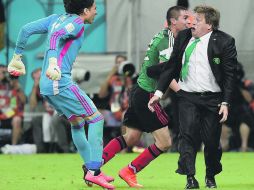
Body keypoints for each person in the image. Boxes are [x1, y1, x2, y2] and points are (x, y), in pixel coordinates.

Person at [7, 0, 114, 189]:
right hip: (59, 81)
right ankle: (94, 171)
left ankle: (91, 168)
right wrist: (54, 63)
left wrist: (17, 57)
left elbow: (25, 29)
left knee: (77, 123)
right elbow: (57, 36)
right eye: (95, 8)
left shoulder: (55, 18)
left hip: (47, 84)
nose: (96, 12)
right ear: (85, 10)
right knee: (96, 119)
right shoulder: (78, 22)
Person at [148, 5, 237, 189]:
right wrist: (158, 93)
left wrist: (226, 102)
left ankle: (210, 175)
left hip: (213, 99)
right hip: (187, 96)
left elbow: (229, 75)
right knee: (187, 136)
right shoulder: (184, 37)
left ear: (209, 25)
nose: (192, 23)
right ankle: (190, 178)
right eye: (191, 19)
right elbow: (171, 66)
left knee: (211, 141)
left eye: (197, 20)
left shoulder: (225, 41)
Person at [101, 6, 189, 188]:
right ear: (174, 21)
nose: (188, 21)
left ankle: (93, 168)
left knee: (131, 137)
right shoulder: (168, 41)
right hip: (147, 94)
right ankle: (129, 170)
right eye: (184, 17)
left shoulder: (167, 36)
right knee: (165, 142)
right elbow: (167, 71)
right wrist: (183, 93)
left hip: (139, 91)